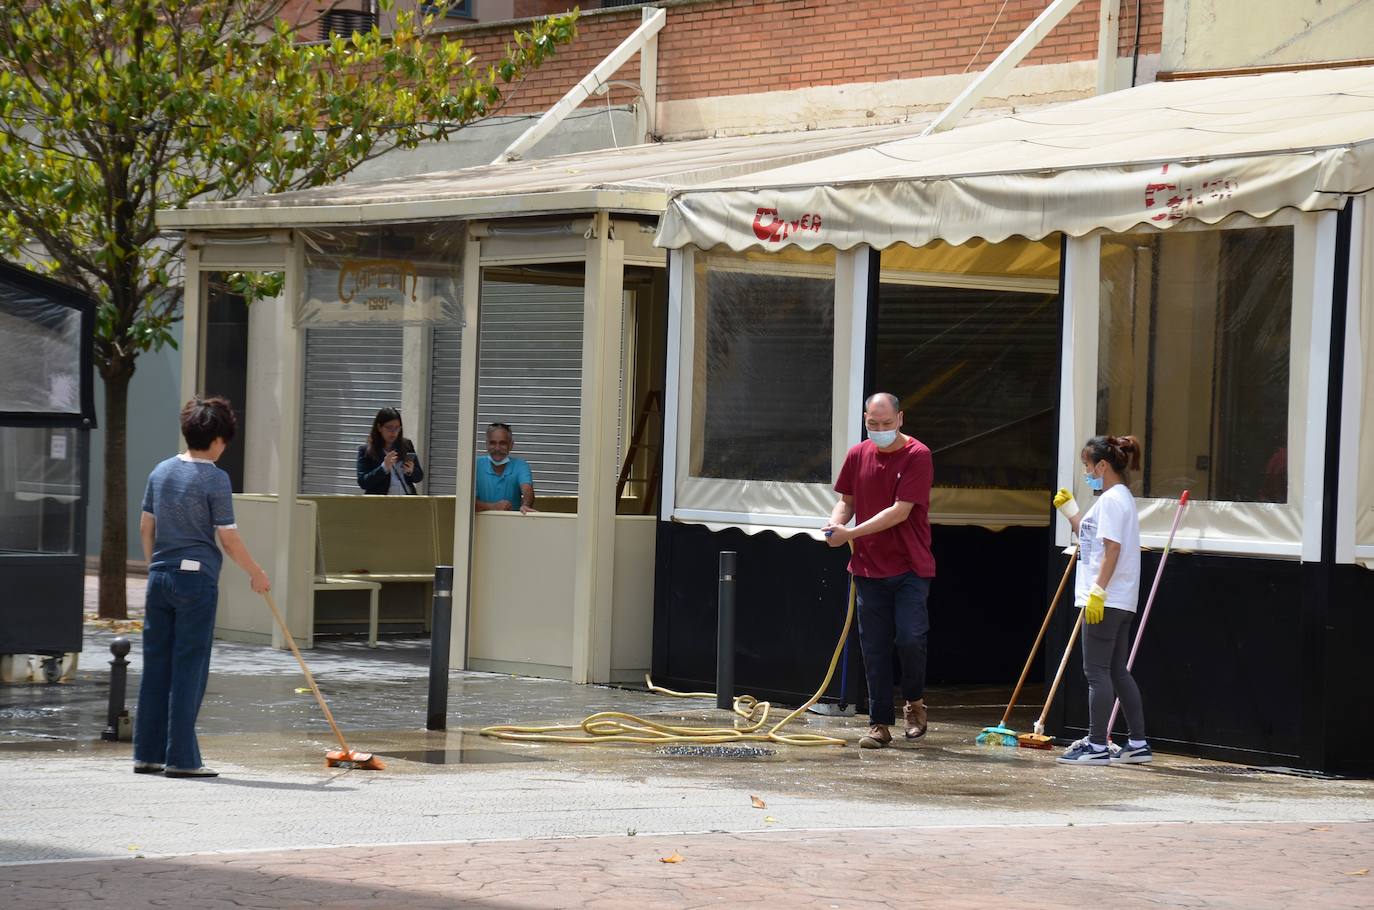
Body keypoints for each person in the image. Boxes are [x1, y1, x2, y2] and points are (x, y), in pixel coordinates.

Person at [134, 397, 271, 778]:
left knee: (157, 665)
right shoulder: (215, 478)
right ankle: (181, 758)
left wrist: (155, 566)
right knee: (189, 667)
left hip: (160, 577)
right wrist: (255, 572)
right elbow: (227, 537)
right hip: (196, 581)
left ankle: (147, 753)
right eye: (225, 441)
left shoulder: (160, 472)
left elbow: (147, 526)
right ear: (217, 440)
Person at [823, 392, 936, 749]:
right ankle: (878, 723)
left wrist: (850, 533)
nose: (880, 429)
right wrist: (834, 525)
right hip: (869, 568)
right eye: (873, 424)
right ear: (865, 419)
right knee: (873, 647)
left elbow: (900, 511)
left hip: (910, 566)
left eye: (887, 424)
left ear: (900, 419)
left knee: (910, 638)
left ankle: (914, 702)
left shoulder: (918, 455)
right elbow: (847, 500)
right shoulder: (858, 454)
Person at [1052, 435, 1151, 766]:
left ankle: (1096, 745)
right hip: (1120, 600)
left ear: (1102, 465)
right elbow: (1094, 538)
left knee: (1096, 672)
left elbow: (1112, 548)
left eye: (1087, 466)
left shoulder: (1111, 501)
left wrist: (1097, 590)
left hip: (1105, 601)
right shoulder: (1119, 498)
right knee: (1116, 671)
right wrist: (1071, 513)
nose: (1086, 472)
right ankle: (1137, 743)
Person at [356, 407, 424, 495]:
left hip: (407, 501)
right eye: (389, 428)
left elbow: (419, 477)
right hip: (382, 504)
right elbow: (363, 482)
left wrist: (411, 471)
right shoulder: (366, 450)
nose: (394, 432)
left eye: (397, 428)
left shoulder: (406, 445)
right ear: (379, 427)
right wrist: (383, 468)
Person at [475, 422, 535, 513]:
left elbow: (527, 489)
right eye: (492, 443)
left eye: (502, 443)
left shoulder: (520, 465)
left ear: (511, 445)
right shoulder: (475, 465)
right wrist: (494, 507)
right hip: (480, 525)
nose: (497, 448)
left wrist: (525, 505)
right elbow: (468, 503)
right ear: (486, 444)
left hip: (511, 525)